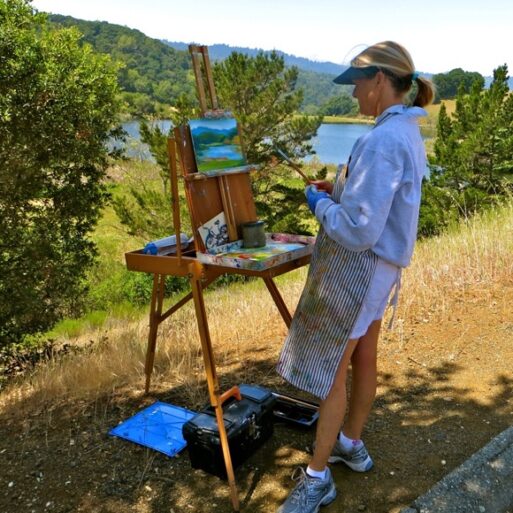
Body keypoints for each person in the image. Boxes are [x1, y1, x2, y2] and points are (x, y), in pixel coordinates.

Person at [276, 41, 435, 513]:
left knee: (330, 370)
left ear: (380, 81)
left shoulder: (384, 139)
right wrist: (340, 190)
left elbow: (361, 229)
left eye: (358, 85)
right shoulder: (404, 130)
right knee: (364, 358)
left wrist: (320, 203)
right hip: (381, 270)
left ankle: (317, 476)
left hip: (361, 271)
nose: (353, 96)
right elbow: (376, 208)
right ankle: (350, 442)